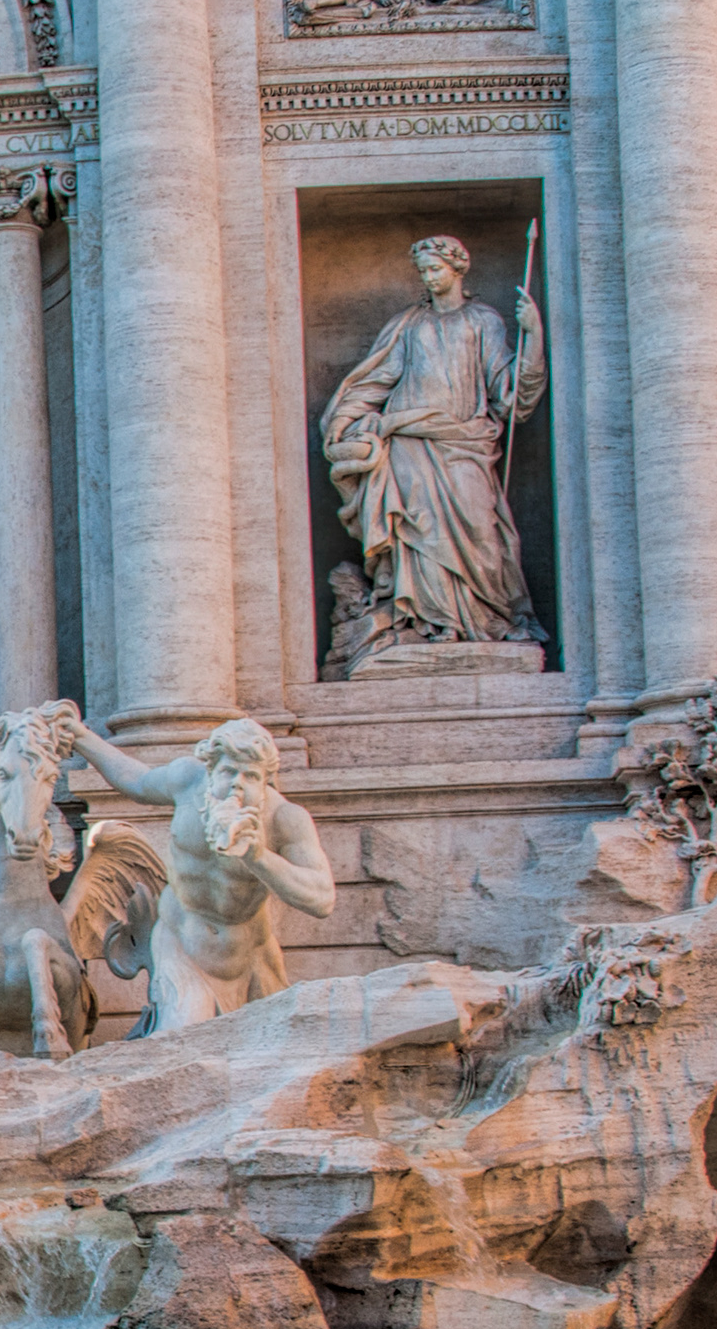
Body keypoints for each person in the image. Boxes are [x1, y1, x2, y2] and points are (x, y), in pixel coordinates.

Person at [321, 236, 547, 659]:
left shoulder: (484, 320)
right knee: (417, 530)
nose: (428, 277)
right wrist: (343, 420)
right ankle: (428, 622)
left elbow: (510, 391)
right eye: (423, 271)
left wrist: (532, 334)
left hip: (464, 441)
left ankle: (486, 621)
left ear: (457, 269)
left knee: (481, 529)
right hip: (408, 443)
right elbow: (377, 381)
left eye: (435, 269)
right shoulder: (409, 324)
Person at [48, 709, 334, 1033]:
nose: (237, 786)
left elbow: (322, 898)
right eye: (229, 772)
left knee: (273, 1053)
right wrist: (82, 738)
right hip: (181, 944)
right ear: (211, 769)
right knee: (181, 1041)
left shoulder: (284, 819)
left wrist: (259, 857)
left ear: (266, 781)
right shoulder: (187, 781)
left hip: (250, 957)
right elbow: (136, 780)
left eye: (251, 777)